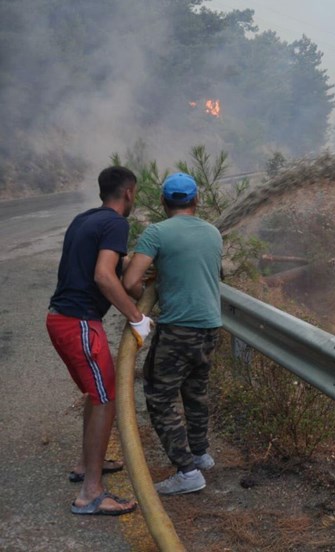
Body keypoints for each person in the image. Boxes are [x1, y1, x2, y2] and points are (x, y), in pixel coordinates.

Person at [47, 165, 152, 516]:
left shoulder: (84, 219)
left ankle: (86, 464)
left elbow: (109, 267)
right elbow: (104, 276)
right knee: (106, 397)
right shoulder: (116, 223)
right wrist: (137, 318)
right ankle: (90, 494)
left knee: (97, 393)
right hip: (78, 322)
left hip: (60, 319)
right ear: (129, 193)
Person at [123, 172, 223, 496]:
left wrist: (146, 300)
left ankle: (187, 471)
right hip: (210, 327)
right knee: (196, 391)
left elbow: (130, 281)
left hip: (178, 328)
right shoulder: (213, 233)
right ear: (196, 200)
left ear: (163, 201)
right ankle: (201, 454)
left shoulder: (157, 233)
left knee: (159, 396)